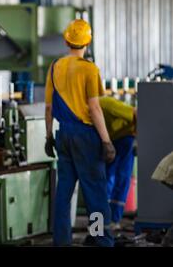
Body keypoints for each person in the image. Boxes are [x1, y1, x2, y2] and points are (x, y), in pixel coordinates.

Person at [44, 19, 116, 247]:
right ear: (88, 42)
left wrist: (48, 136)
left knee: (64, 193)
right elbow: (94, 108)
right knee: (95, 192)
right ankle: (100, 240)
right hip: (86, 135)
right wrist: (106, 141)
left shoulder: (55, 66)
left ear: (66, 41)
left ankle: (61, 241)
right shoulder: (89, 69)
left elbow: (48, 107)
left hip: (63, 134)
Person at [99, 96, 137, 230]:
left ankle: (114, 220)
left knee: (121, 178)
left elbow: (136, 113)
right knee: (107, 178)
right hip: (110, 140)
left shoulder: (107, 104)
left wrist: (139, 138)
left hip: (125, 138)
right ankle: (104, 222)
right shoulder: (83, 112)